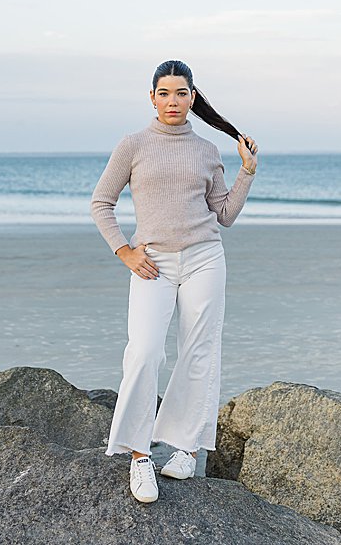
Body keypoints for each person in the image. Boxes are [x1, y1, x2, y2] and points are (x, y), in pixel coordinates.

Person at [90, 60, 258, 503]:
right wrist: (124, 251)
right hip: (153, 262)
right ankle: (139, 456)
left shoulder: (207, 150)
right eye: (164, 93)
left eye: (181, 93)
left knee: (200, 351)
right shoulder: (134, 145)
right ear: (152, 98)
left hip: (205, 257)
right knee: (144, 352)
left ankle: (185, 448)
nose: (172, 101)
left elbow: (224, 215)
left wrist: (247, 172)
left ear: (192, 97)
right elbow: (101, 202)